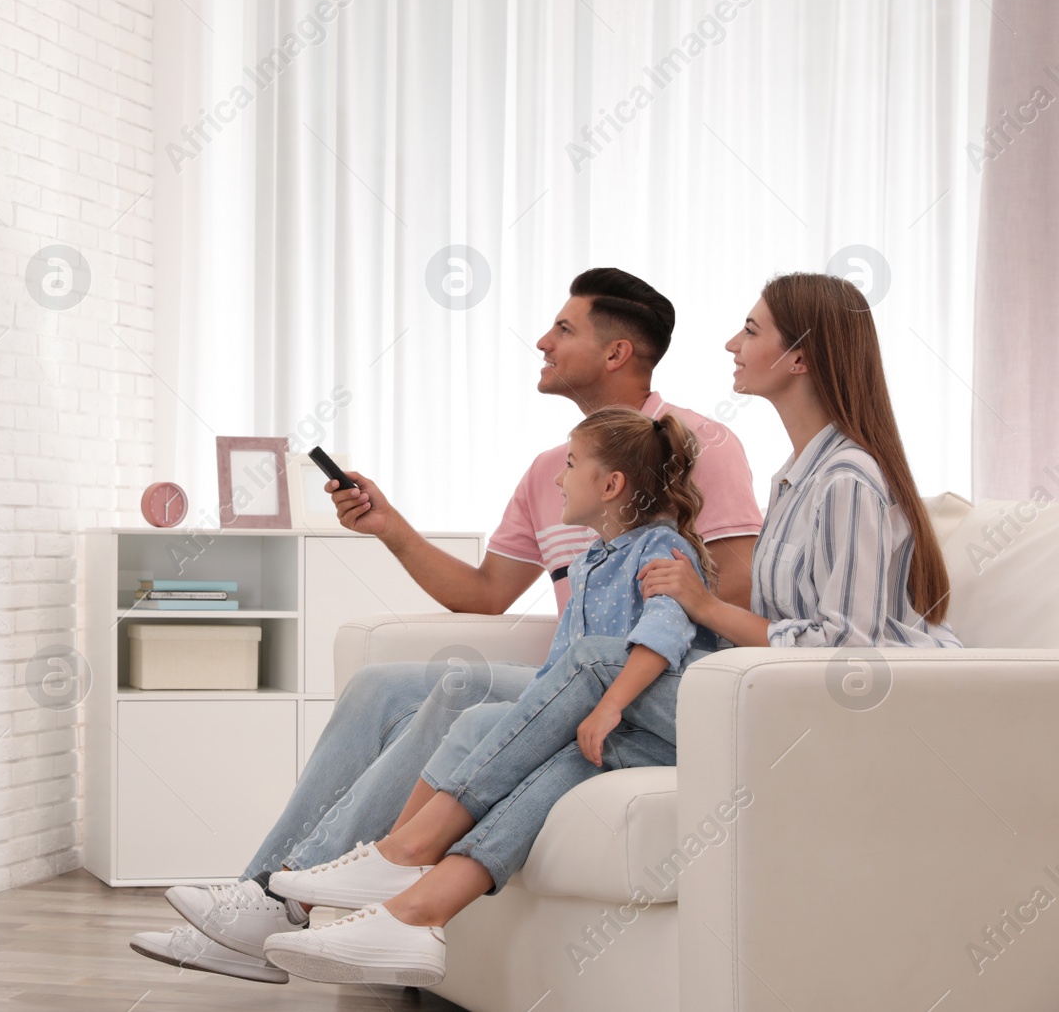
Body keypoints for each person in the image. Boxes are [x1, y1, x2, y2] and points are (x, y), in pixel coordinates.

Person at [257, 271, 961, 986]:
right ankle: (414, 916)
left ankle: (400, 853)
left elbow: (850, 652)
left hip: (808, 717)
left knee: (595, 665)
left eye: (750, 330)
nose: (730, 343)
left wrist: (701, 609)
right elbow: (488, 592)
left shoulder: (842, 479)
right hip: (753, 696)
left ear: (803, 357)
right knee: (573, 749)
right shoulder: (797, 476)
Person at [130, 268, 763, 983]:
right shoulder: (554, 470)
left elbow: (730, 586)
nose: (542, 341)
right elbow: (487, 592)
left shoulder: (700, 444)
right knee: (378, 685)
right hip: (566, 678)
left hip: (641, 682)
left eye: (563, 328)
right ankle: (257, 897)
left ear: (617, 352)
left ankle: (282, 897)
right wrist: (388, 524)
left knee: (462, 687)